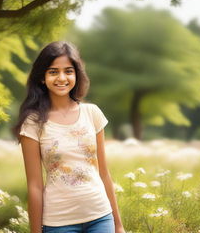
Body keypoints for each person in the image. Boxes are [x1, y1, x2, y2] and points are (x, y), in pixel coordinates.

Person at [13, 41, 125, 233]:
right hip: (58, 223)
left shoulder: (92, 113)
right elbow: (34, 185)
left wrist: (118, 224)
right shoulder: (33, 122)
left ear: (77, 75)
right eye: (53, 71)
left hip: (100, 216)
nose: (62, 78)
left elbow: (104, 173)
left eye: (68, 71)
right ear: (42, 77)